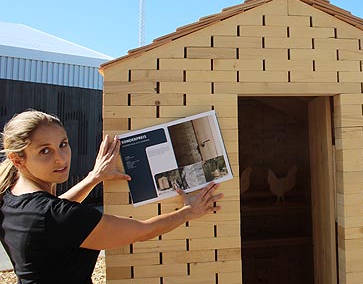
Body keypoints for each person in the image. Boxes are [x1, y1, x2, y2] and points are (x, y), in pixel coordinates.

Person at [0, 110, 223, 284]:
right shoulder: (56, 216)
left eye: (63, 144)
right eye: (45, 151)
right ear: (17, 159)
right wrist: (189, 211)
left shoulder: (10, 199)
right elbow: (143, 231)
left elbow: (54, 213)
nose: (61, 158)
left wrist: (93, 178)